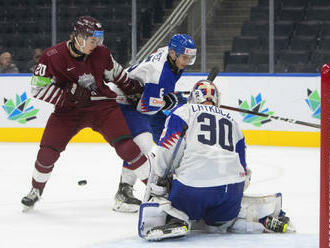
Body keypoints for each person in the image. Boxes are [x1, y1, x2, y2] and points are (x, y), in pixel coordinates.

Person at [21, 16, 151, 211]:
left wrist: (134, 89)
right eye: (92, 40)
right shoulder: (52, 55)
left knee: (127, 147)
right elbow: (38, 89)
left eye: (98, 40)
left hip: (102, 108)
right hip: (68, 112)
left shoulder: (102, 53)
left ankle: (157, 190)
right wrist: (67, 97)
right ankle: (35, 190)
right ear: (78, 37)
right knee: (47, 152)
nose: (96, 44)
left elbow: (118, 75)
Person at [138, 80, 294, 240]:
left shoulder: (183, 111)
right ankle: (256, 220)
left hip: (193, 190)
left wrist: (160, 179)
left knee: (173, 194)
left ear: (193, 97)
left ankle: (178, 219)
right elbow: (243, 167)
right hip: (230, 194)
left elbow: (166, 148)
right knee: (219, 224)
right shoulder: (233, 122)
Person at [110, 34, 197, 213]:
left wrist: (167, 97)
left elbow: (155, 92)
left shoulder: (171, 56)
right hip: (124, 100)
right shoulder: (160, 73)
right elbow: (145, 108)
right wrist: (167, 101)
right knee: (143, 142)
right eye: (184, 57)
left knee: (172, 138)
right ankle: (124, 190)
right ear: (173, 53)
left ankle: (175, 177)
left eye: (190, 57)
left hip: (144, 96)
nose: (187, 62)